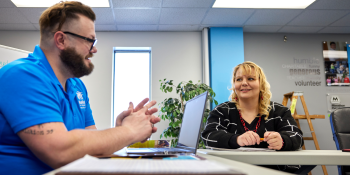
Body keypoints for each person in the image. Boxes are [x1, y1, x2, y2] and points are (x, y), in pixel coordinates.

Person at [0, 1, 160, 175]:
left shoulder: (77, 86)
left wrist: (120, 131)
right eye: (90, 40)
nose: (95, 49)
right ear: (61, 40)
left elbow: (89, 149)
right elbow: (60, 150)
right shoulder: (23, 75)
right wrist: (128, 132)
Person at [201, 61, 304, 173]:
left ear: (261, 83)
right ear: (234, 85)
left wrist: (282, 141)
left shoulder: (280, 111)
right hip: (233, 171)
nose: (244, 83)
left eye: (250, 79)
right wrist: (237, 139)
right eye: (239, 79)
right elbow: (209, 136)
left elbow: (297, 136)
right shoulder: (221, 110)